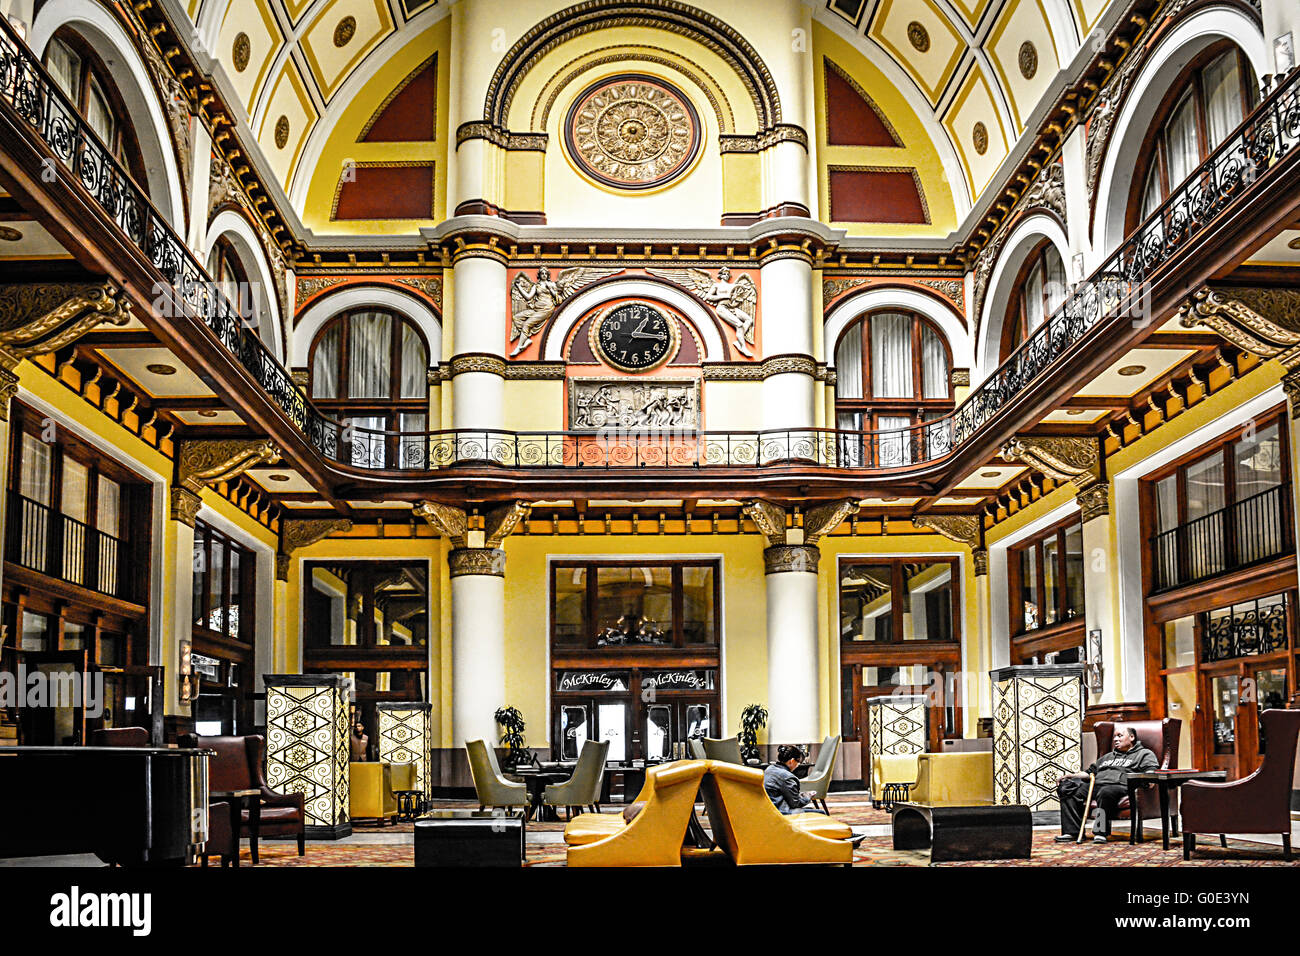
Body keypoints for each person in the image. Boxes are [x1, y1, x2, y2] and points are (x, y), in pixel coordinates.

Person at [1055, 725, 1158, 843]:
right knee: (1067, 789)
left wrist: (1149, 780)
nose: (1115, 739)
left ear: (1132, 737)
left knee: (1105, 792)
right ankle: (1072, 832)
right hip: (1097, 784)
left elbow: (1151, 770)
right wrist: (1071, 776)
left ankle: (1100, 832)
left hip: (1120, 785)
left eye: (1120, 736)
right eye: (1115, 737)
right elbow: (1090, 773)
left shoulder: (1144, 754)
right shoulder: (1107, 757)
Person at [763, 744, 824, 815]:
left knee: (811, 810)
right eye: (798, 761)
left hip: (769, 811)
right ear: (791, 761)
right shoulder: (787, 777)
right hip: (781, 814)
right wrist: (808, 796)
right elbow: (796, 804)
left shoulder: (769, 769)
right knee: (821, 813)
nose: (798, 765)